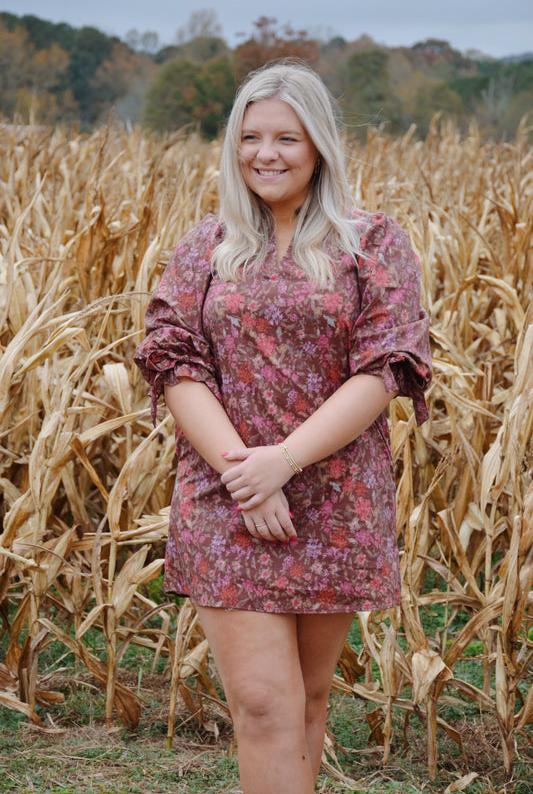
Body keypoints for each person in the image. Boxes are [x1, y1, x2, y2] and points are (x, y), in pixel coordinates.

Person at [134, 60, 432, 794]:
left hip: (334, 494)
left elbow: (385, 365)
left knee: (306, 699)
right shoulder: (205, 246)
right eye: (250, 136)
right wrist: (248, 472)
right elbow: (175, 364)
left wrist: (286, 463)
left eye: (286, 138)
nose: (264, 154)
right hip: (225, 491)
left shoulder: (371, 243)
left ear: (320, 145)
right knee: (265, 705)